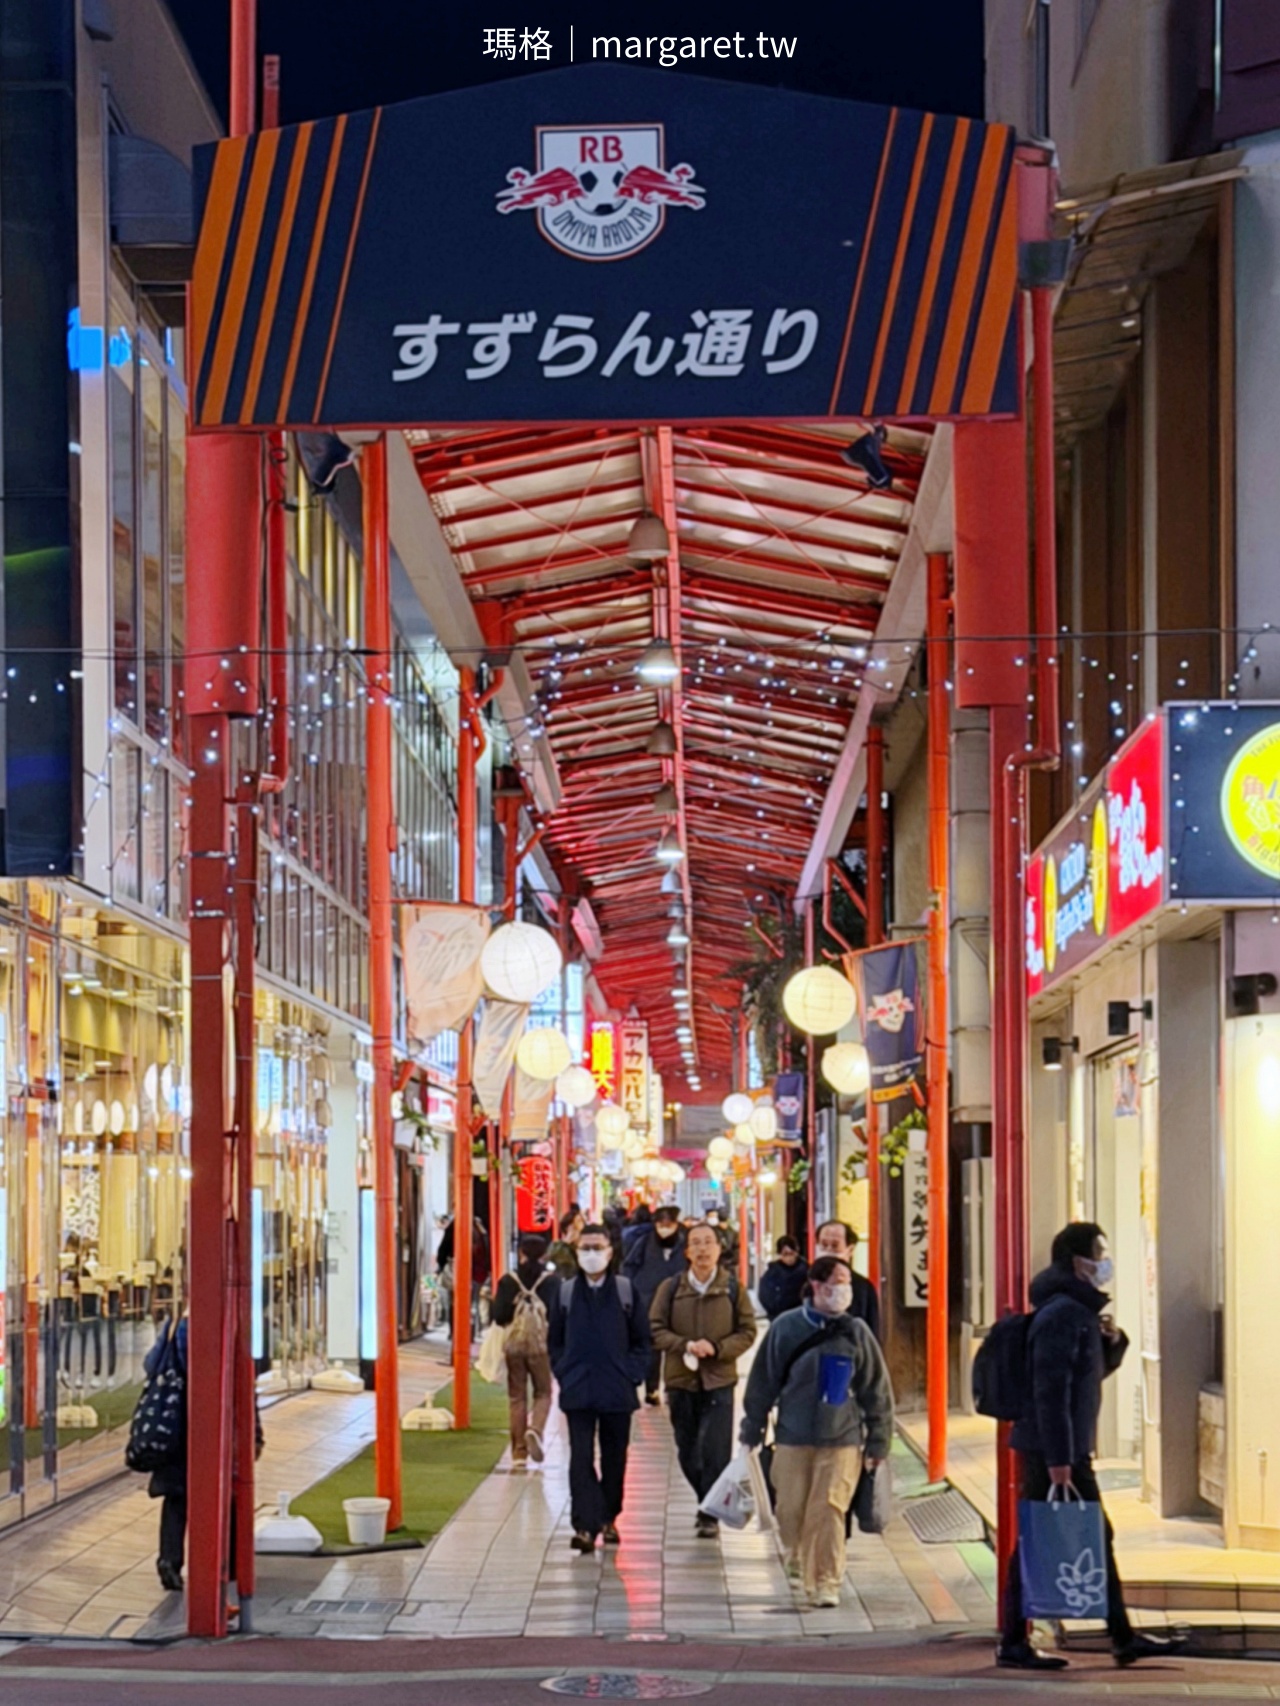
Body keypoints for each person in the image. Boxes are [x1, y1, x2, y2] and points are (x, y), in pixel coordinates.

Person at [998, 1223, 1187, 1671]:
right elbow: (1051, 1391)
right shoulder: (1062, 1313)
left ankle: (1120, 1636)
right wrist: (1062, 1460)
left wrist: (1112, 1344)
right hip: (1053, 1452)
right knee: (1042, 1539)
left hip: (1062, 1449)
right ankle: (1016, 1641)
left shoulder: (1072, 1310)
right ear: (1078, 1261)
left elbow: (1082, 1378)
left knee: (1086, 1536)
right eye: (1099, 1253)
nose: (1105, 1262)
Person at [739, 1254, 893, 1608]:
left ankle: (826, 1580)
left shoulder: (857, 1332)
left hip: (842, 1439)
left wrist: (878, 1441)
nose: (843, 1289)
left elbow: (877, 1390)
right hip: (792, 1436)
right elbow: (763, 1380)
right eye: (836, 1282)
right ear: (817, 1286)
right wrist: (753, 1427)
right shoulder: (787, 1327)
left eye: (846, 1283)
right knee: (791, 1508)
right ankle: (796, 1559)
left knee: (829, 1507)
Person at [549, 1223, 651, 1553]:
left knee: (614, 1458)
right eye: (586, 1248)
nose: (591, 1254)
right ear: (577, 1252)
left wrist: (632, 1374)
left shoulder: (625, 1291)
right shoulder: (564, 1293)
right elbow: (555, 1342)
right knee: (579, 1457)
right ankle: (583, 1525)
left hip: (616, 1389)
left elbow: (642, 1340)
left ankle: (608, 1518)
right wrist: (564, 1371)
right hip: (577, 1388)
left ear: (610, 1251)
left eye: (597, 1247)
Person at [650, 1221, 757, 1536]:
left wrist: (719, 1348)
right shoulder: (670, 1288)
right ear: (686, 1252)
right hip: (681, 1380)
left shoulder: (732, 1288)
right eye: (695, 1243)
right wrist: (684, 1345)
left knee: (714, 1449)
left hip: (719, 1380)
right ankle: (706, 1499)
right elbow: (655, 1328)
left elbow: (748, 1331)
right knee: (687, 1450)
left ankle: (708, 1515)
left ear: (719, 1249)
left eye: (708, 1242)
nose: (702, 1249)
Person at [144, 1316, 262, 1591]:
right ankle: (226, 1562)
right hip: (215, 1418)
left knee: (177, 1495)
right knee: (224, 1492)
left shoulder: (175, 1326)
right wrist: (254, 1431)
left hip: (173, 1421)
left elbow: (151, 1364)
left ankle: (170, 1560)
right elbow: (244, 1381)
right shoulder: (230, 1324)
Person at [490, 1233, 558, 1468]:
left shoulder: (509, 1281)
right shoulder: (551, 1281)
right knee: (544, 1393)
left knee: (517, 1396)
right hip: (541, 1346)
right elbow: (558, 1314)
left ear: (520, 1253)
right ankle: (536, 1430)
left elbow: (498, 1316)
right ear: (544, 1255)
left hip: (515, 1346)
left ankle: (519, 1453)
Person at [623, 1203, 687, 1404]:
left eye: (669, 1224)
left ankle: (674, 1387)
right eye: (661, 1224)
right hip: (648, 1302)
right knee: (653, 1347)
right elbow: (629, 1267)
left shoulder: (686, 1244)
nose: (665, 1228)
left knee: (677, 1345)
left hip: (679, 1301)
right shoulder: (643, 1243)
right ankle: (652, 1390)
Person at [814, 1219, 881, 1340]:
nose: (828, 1250)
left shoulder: (863, 1287)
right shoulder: (802, 1281)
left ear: (850, 1250)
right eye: (823, 1245)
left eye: (835, 1246)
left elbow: (872, 1334)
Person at [436, 1215, 491, 1341]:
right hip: (478, 1273)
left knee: (455, 1302)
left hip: (457, 1269)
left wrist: (441, 1264)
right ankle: (470, 1333)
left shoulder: (455, 1225)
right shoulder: (481, 1228)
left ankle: (454, 1332)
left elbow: (444, 1247)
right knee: (473, 1303)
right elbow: (487, 1250)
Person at [759, 1235, 809, 1321]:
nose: (789, 1258)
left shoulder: (806, 1271)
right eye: (785, 1254)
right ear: (779, 1254)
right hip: (778, 1316)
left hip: (801, 1316)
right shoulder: (772, 1272)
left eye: (791, 1253)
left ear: (796, 1252)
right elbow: (764, 1294)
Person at [547, 1208, 583, 1280]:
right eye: (577, 1222)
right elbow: (551, 1261)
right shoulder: (557, 1246)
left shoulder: (585, 1247)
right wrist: (566, 1242)